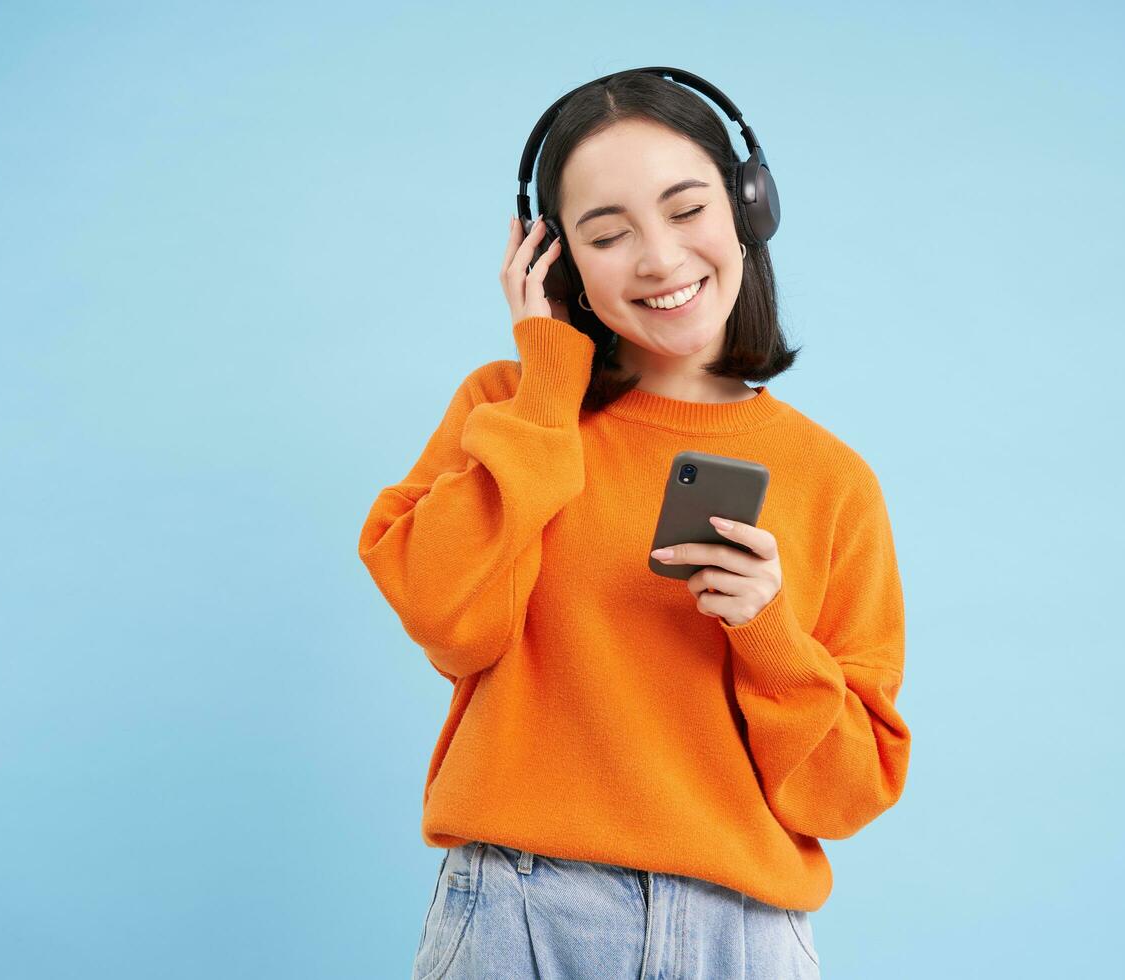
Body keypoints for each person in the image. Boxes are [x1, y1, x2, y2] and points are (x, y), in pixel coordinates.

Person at [357, 70, 909, 979]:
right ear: (554, 259)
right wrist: (545, 380)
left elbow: (844, 795)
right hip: (519, 916)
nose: (657, 259)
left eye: (686, 209)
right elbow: (450, 622)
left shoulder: (833, 481)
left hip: (746, 935)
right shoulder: (508, 410)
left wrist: (765, 632)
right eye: (608, 235)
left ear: (748, 211)